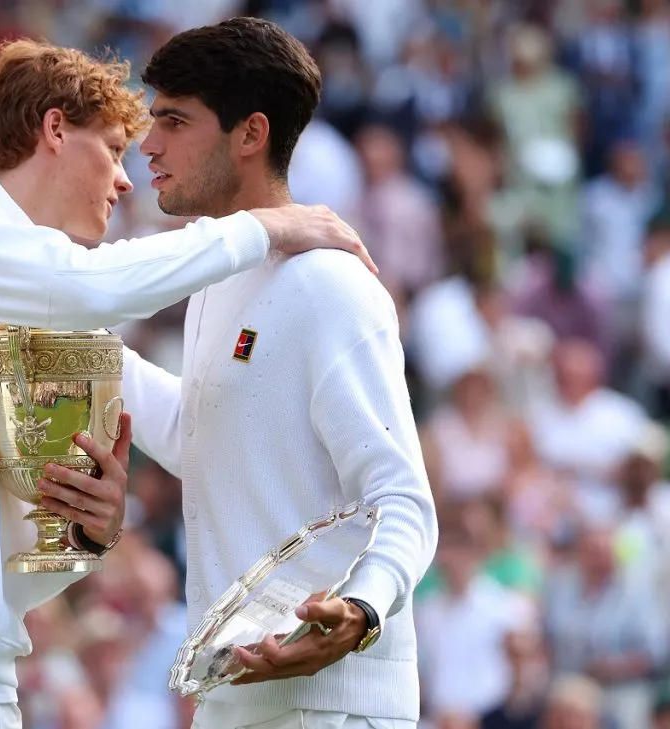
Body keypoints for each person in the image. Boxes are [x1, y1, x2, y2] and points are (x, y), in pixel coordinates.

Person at [0, 38, 372, 729]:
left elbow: (31, 570)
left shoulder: (56, 320)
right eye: (112, 148)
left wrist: (87, 531)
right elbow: (90, 287)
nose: (125, 179)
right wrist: (262, 226)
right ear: (54, 130)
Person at [110, 18, 438, 729]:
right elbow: (199, 432)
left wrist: (361, 610)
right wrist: (77, 343)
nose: (149, 143)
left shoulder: (329, 284)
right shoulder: (215, 281)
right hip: (234, 697)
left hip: (332, 706)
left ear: (250, 133)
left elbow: (403, 499)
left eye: (173, 119)